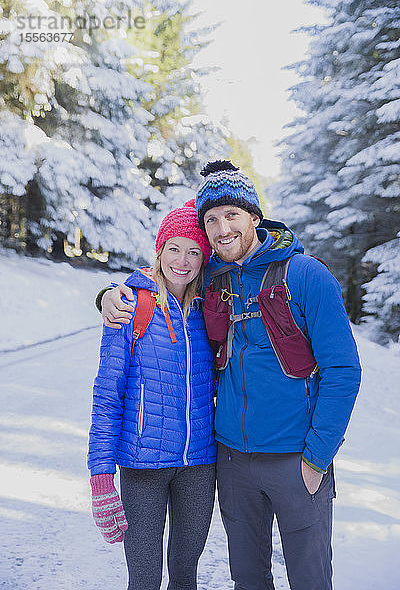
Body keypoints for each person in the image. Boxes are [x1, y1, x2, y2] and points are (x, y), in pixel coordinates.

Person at [99, 161, 362, 590]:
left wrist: (317, 456)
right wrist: (109, 294)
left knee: (310, 579)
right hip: (233, 463)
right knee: (248, 579)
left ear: (255, 217)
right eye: (212, 220)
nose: (222, 228)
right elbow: (166, 274)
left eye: (232, 215)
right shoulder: (214, 279)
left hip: (296, 459)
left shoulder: (306, 275)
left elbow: (344, 371)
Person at [88, 199, 217, 590]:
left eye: (194, 251)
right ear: (159, 251)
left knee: (185, 574)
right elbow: (107, 397)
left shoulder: (211, 307)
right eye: (174, 248)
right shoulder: (130, 304)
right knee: (144, 579)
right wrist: (100, 477)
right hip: (143, 465)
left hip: (199, 465)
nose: (183, 260)